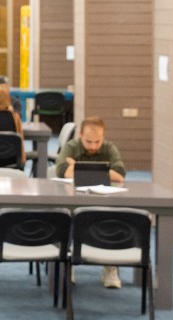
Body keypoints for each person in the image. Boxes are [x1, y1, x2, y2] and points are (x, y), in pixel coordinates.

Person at [55, 116, 127, 288]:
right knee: (67, 220)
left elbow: (120, 174)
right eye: (89, 142)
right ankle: (68, 265)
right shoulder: (71, 146)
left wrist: (78, 165)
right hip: (73, 200)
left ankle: (110, 267)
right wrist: (104, 170)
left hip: (103, 200)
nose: (94, 146)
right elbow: (62, 171)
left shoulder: (109, 148)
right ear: (80, 135)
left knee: (113, 221)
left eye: (97, 142)